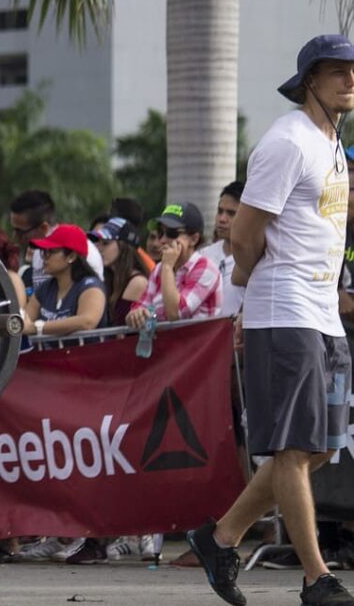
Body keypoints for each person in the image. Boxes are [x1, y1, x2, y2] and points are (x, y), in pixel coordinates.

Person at [188, 34, 354, 606]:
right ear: (309, 79)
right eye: (337, 71)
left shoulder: (331, 141)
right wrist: (253, 277)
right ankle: (317, 578)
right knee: (290, 448)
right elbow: (245, 232)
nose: (350, 81)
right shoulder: (287, 141)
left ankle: (221, 537)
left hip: (324, 315)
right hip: (285, 311)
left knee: (322, 448)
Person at [126, 203, 221, 329]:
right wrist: (135, 315)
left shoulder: (206, 268)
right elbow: (141, 305)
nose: (162, 240)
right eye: (160, 232)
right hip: (167, 346)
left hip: (198, 346)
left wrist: (167, 268)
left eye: (171, 233)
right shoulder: (159, 269)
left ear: (194, 239)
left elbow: (175, 314)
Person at [8, 191, 104, 296]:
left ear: (43, 228)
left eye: (20, 231)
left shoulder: (85, 251)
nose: (15, 237)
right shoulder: (38, 252)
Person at [21, 224, 107, 338]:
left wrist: (37, 328)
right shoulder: (45, 288)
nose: (44, 257)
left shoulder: (91, 286)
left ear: (71, 256)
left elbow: (87, 321)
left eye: (50, 251)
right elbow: (24, 321)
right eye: (43, 252)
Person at [87, 217, 149, 325]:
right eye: (99, 243)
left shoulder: (137, 281)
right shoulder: (108, 276)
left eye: (106, 243)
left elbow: (119, 325)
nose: (99, 248)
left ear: (124, 246)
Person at [198, 181, 246, 318]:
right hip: (206, 337)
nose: (222, 219)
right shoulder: (203, 256)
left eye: (231, 213)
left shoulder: (256, 260)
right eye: (220, 211)